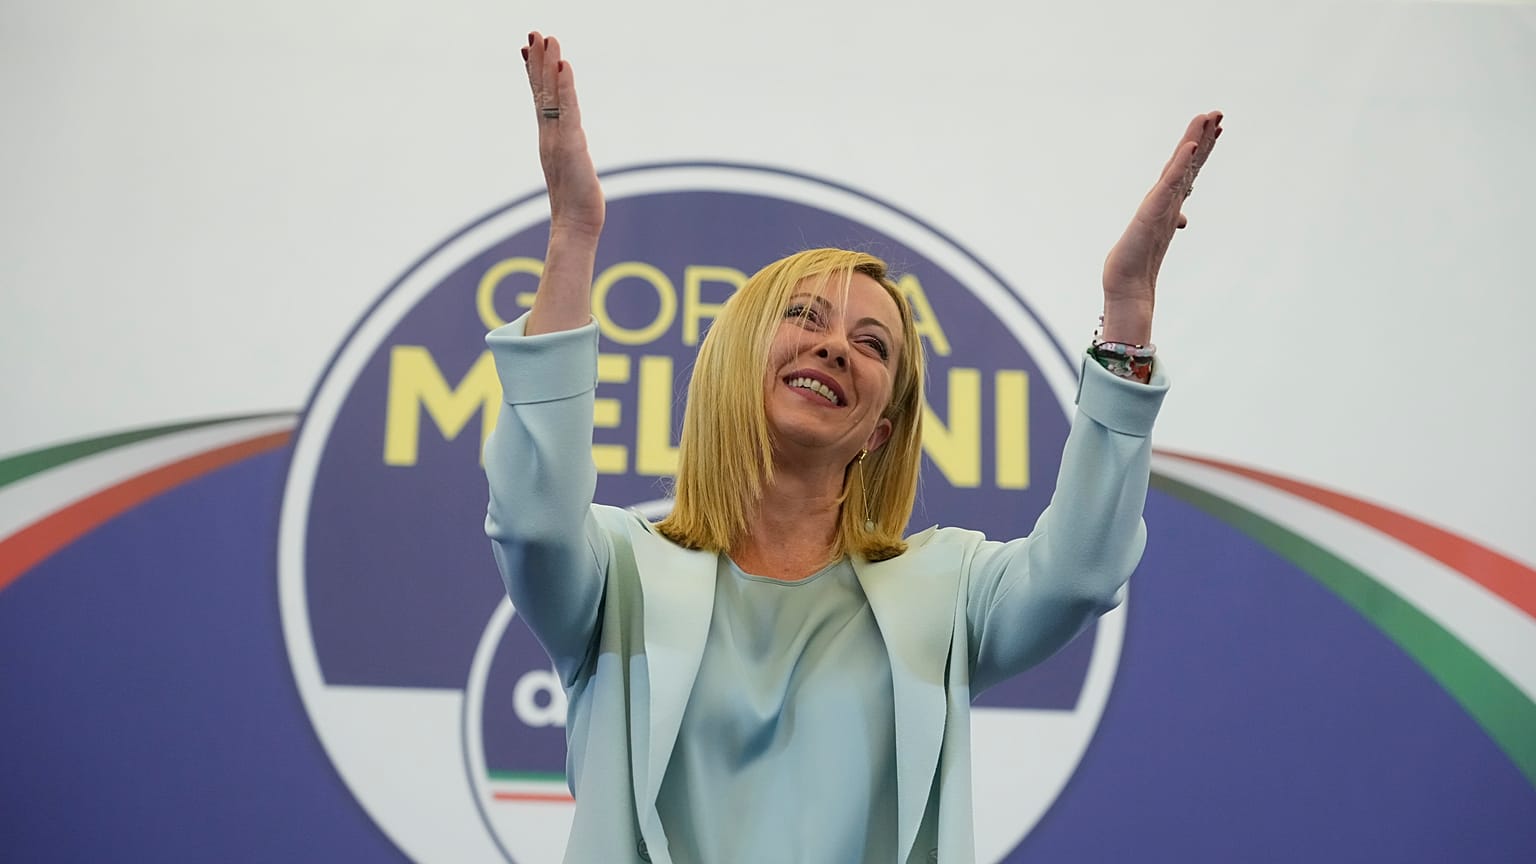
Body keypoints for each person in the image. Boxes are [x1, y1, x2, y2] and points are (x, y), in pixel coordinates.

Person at [484, 31, 1221, 864]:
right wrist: (574, 234)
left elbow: (1081, 572)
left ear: (879, 429)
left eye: (872, 345)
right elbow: (534, 522)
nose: (836, 346)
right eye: (805, 317)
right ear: (736, 358)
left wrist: (1127, 312)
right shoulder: (617, 575)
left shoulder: (947, 590)